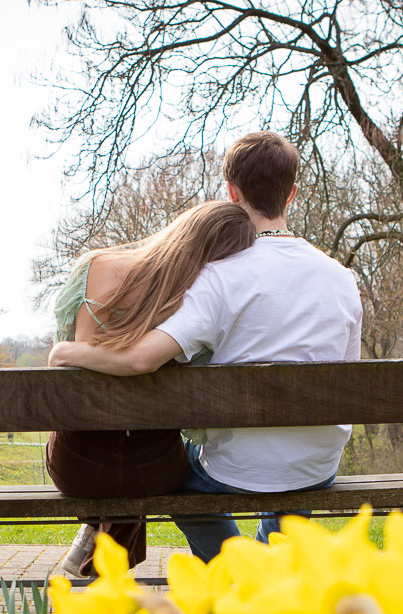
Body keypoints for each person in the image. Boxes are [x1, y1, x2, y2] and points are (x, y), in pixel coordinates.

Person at [49, 132, 364, 563]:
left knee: (179, 475)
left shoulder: (218, 276)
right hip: (317, 466)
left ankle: (231, 572)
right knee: (294, 465)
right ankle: (264, 574)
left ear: (232, 192)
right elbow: (347, 378)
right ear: (291, 194)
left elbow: (143, 358)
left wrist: (70, 353)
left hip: (236, 471)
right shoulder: (342, 279)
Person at [49, 200, 255, 576]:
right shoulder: (195, 304)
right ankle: (104, 550)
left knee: (116, 447)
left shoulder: (94, 266)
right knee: (145, 453)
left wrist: (70, 351)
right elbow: (195, 420)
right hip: (155, 472)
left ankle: (96, 534)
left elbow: (66, 376)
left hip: (76, 467)